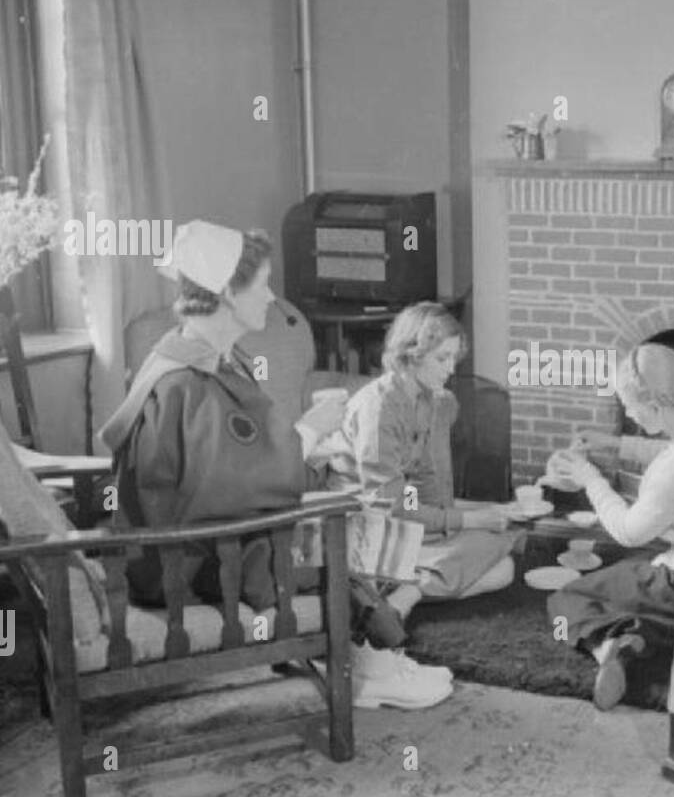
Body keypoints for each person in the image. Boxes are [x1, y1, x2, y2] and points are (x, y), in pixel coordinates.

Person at [99, 220, 451, 709]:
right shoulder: (184, 382)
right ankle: (370, 672)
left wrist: (308, 446)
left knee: (350, 528)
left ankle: (372, 663)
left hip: (204, 537)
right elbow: (224, 486)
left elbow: (234, 458)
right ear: (226, 294)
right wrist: (306, 433)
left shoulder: (205, 357)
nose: (270, 298)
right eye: (261, 285)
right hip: (187, 559)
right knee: (339, 541)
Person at [544, 343, 674, 710]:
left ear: (654, 407)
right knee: (634, 578)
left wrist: (589, 477)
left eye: (630, 406)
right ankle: (655, 636)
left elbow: (626, 531)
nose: (629, 412)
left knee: (569, 595)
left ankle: (611, 646)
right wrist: (616, 443)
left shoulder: (670, 470)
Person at [315, 302, 518, 611]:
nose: (451, 369)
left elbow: (431, 492)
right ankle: (398, 590)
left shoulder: (432, 400)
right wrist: (470, 519)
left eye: (453, 357)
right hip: (360, 525)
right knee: (489, 555)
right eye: (442, 358)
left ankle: (408, 589)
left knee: (504, 566)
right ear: (412, 353)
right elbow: (388, 505)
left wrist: (495, 510)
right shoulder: (379, 408)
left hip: (400, 519)